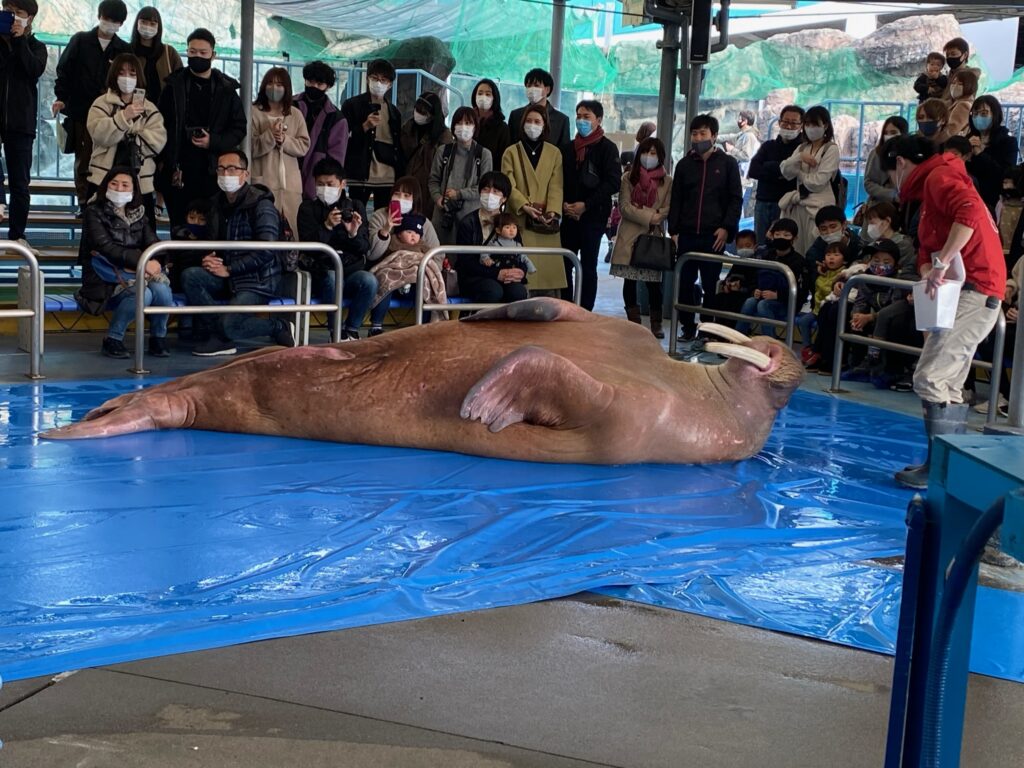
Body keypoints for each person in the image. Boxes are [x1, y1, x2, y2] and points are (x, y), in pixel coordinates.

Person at [881, 134, 1006, 488]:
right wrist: (928, 268)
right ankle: (947, 467)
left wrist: (943, 263)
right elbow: (929, 246)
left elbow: (967, 213)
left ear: (901, 163)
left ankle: (941, 469)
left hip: (976, 289)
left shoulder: (939, 177)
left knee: (931, 377)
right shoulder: (936, 183)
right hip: (963, 292)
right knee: (947, 381)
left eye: (890, 172)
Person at [182, 149, 294, 357]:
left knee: (229, 324)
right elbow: (211, 240)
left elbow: (267, 250)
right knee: (191, 276)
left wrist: (230, 269)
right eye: (221, 169)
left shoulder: (262, 206)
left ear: (245, 174)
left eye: (232, 169)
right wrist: (208, 258)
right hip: (228, 274)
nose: (226, 174)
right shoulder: (216, 204)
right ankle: (221, 335)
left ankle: (277, 326)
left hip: (258, 280)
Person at [157, 28, 247, 229]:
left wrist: (213, 141)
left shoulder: (226, 89)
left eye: (203, 53)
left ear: (213, 55)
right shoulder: (173, 85)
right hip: (178, 170)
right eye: (192, 52)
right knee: (180, 226)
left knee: (212, 226)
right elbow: (159, 124)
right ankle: (179, 261)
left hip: (212, 171)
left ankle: (209, 261)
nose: (197, 57)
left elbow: (239, 128)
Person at [78, 166, 171, 359]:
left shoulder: (140, 215)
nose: (119, 189)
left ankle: (158, 338)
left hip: (137, 272)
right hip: (104, 279)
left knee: (162, 290)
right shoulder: (93, 212)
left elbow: (153, 243)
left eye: (125, 185)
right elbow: (104, 246)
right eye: (114, 183)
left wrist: (154, 262)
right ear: (105, 186)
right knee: (141, 294)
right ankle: (113, 338)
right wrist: (142, 262)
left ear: (133, 190)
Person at [667, 114, 743, 340]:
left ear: (714, 136)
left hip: (714, 235)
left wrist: (727, 227)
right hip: (688, 234)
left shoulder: (728, 164)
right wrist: (674, 231)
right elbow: (677, 199)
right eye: (694, 133)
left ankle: (708, 329)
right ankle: (687, 327)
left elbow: (735, 198)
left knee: (711, 284)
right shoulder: (684, 165)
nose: (698, 138)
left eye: (702, 133)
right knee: (685, 284)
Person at [53, 0, 130, 211]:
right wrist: (63, 98)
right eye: (107, 19)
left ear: (121, 24)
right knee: (83, 158)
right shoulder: (80, 40)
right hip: (80, 110)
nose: (110, 24)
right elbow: (64, 71)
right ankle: (83, 201)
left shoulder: (122, 48)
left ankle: (105, 200)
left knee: (108, 157)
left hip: (110, 114)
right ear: (99, 16)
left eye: (115, 21)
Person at [295, 157, 376, 340]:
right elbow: (308, 247)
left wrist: (353, 233)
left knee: (369, 281)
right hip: (322, 273)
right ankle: (336, 331)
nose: (325, 189)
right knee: (331, 276)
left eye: (330, 184)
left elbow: (364, 247)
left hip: (350, 271)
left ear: (342, 184)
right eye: (320, 184)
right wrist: (327, 226)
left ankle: (352, 329)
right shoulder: (307, 208)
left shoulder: (355, 207)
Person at [86, 52, 166, 225]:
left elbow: (158, 141)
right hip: (103, 178)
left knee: (143, 232)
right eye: (121, 73)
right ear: (114, 75)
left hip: (140, 181)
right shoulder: (101, 103)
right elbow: (99, 135)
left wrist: (128, 134)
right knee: (97, 231)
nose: (127, 78)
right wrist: (123, 117)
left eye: (132, 73)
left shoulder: (149, 108)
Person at [560, 99, 621, 310]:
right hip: (568, 216)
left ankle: (585, 310)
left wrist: (585, 205)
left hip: (593, 216)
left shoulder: (608, 148)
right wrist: (564, 205)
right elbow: (559, 180)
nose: (581, 121)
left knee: (588, 266)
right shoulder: (568, 148)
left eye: (586, 117)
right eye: (578, 116)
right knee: (565, 263)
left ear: (599, 120)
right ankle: (566, 306)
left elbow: (613, 182)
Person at [610, 137, 672, 338]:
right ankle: (634, 323)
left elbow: (668, 208)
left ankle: (656, 324)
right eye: (645, 152)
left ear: (660, 156)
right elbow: (625, 207)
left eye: (653, 153)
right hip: (629, 236)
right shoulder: (628, 177)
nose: (649, 157)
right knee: (630, 282)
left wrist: (651, 214)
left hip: (652, 238)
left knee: (654, 285)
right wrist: (651, 215)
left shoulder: (667, 181)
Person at [501, 103, 566, 294]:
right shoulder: (511, 152)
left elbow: (556, 185)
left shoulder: (554, 153)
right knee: (522, 274)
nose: (532, 125)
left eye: (537, 121)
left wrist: (552, 210)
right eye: (528, 121)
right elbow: (508, 184)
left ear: (545, 125)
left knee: (547, 274)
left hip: (545, 220)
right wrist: (524, 205)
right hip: (519, 218)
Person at [364, 175, 440, 334]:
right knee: (385, 278)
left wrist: (423, 269)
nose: (400, 198)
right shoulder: (379, 215)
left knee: (426, 282)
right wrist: (386, 228)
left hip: (414, 273)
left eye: (406, 196)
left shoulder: (424, 222)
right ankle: (376, 326)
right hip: (388, 269)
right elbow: (372, 254)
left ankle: (424, 329)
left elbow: (436, 255)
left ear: (415, 199)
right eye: (397, 194)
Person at [0, 0, 46, 247]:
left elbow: (34, 70)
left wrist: (18, 41)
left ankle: (17, 235)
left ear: (29, 18)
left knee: (20, 182)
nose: (13, 16)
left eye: (18, 12)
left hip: (21, 121)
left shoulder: (36, 47)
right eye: (8, 10)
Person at [250, 67, 310, 232]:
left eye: (279, 84)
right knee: (264, 228)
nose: (274, 88)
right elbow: (250, 148)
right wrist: (270, 136)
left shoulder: (295, 114)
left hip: (290, 185)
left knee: (292, 228)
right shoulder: (253, 112)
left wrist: (284, 140)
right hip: (263, 181)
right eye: (270, 83)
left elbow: (304, 145)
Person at [455, 171, 529, 305]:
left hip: (505, 274)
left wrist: (521, 272)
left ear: (504, 198)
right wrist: (495, 273)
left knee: (518, 292)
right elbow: (465, 262)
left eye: (496, 191)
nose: (490, 195)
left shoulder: (511, 223)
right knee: (493, 291)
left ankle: (510, 326)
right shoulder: (468, 222)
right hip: (476, 276)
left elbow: (520, 254)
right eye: (486, 189)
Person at [341, 58, 403, 210]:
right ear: (368, 79)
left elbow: (397, 144)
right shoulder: (351, 105)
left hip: (387, 176)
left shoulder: (394, 112)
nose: (378, 83)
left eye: (383, 80)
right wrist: (364, 126)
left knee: (381, 217)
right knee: (356, 215)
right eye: (374, 78)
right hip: (359, 173)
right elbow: (343, 138)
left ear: (390, 85)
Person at [779, 104, 840, 256]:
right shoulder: (802, 148)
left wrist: (799, 173)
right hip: (800, 205)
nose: (810, 128)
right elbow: (785, 170)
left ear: (825, 125)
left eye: (815, 124)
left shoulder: (831, 149)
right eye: (807, 124)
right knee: (797, 249)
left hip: (819, 207)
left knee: (814, 250)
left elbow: (818, 182)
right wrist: (799, 157)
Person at [428, 106, 492, 244]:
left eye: (468, 123)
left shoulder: (484, 154)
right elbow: (433, 180)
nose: (463, 127)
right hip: (443, 215)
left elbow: (484, 189)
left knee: (466, 259)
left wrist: (459, 194)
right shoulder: (443, 151)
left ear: (475, 127)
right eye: (459, 123)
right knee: (438, 256)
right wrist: (438, 198)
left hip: (470, 217)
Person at [840, 239, 901, 382]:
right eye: (876, 260)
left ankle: (884, 368)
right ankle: (857, 365)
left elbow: (895, 308)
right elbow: (860, 301)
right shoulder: (865, 278)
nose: (880, 265)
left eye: (886, 262)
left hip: (889, 319)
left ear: (895, 264)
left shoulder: (898, 281)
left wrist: (870, 317)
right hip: (871, 317)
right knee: (855, 323)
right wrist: (856, 315)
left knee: (893, 326)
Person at [736, 218, 803, 337]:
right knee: (750, 301)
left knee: (764, 305)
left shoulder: (798, 261)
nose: (781, 238)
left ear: (794, 238)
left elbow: (801, 291)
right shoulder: (766, 255)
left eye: (786, 235)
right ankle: (739, 339)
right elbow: (755, 278)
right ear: (772, 236)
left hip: (787, 303)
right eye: (777, 234)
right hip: (764, 297)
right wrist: (755, 290)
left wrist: (778, 295)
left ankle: (770, 343)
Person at [748, 104, 803, 244]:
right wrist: (781, 169)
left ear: (801, 125)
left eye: (794, 123)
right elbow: (753, 170)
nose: (789, 126)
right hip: (763, 202)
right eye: (785, 122)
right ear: (779, 122)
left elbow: (795, 175)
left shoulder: (802, 149)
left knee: (783, 244)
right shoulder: (768, 146)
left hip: (787, 206)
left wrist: (768, 166)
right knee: (761, 244)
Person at [294, 60, 348, 202]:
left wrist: (321, 186)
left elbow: (336, 160)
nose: (314, 87)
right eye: (310, 82)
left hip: (315, 184)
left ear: (328, 86)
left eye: (320, 84)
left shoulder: (336, 119)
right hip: (288, 175)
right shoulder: (290, 105)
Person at [400, 92, 451, 221]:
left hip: (428, 188)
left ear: (433, 115)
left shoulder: (443, 135)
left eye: (423, 112)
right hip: (406, 182)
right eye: (417, 109)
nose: (418, 114)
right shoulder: (408, 128)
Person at [965, 95, 1019, 217]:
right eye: (975, 114)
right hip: (967, 195)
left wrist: (980, 154)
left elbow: (1004, 175)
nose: (978, 117)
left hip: (992, 200)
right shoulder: (968, 140)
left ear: (995, 115)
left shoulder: (1008, 142)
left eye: (984, 114)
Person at [798, 240, 846, 360]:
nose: (831, 258)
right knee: (803, 321)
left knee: (823, 327)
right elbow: (815, 288)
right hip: (817, 309)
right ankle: (807, 348)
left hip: (829, 312)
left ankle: (818, 351)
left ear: (844, 259)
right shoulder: (822, 272)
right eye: (829, 255)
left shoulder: (843, 274)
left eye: (836, 255)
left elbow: (829, 290)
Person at [704, 229, 757, 332]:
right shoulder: (737, 262)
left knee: (733, 304)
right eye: (740, 247)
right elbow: (728, 277)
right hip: (731, 293)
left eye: (748, 245)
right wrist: (726, 285)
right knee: (718, 299)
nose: (744, 249)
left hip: (745, 295)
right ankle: (715, 332)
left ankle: (730, 333)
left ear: (754, 246)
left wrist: (741, 286)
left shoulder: (756, 264)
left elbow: (755, 283)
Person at [507, 68, 571, 150]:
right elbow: (510, 147)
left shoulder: (561, 120)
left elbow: (564, 152)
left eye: (536, 85)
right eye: (529, 86)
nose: (531, 89)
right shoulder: (516, 115)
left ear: (547, 89)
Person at [129, 6, 181, 106]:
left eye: (152, 24)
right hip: (133, 109)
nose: (147, 26)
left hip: (163, 109)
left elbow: (180, 81)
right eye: (143, 22)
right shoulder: (127, 50)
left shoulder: (169, 52)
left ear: (159, 27)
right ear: (137, 24)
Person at [863, 116, 908, 207]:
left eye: (893, 132)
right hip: (879, 207)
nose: (889, 136)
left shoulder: (910, 155)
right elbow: (868, 183)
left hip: (904, 207)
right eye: (886, 133)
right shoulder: (877, 153)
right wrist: (891, 195)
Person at [481, 213, 535, 277]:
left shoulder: (518, 245)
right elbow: (484, 252)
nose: (512, 230)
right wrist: (486, 259)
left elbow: (524, 257)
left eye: (514, 227)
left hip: (513, 275)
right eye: (507, 227)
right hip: (497, 274)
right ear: (498, 230)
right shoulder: (493, 243)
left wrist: (531, 267)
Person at [471, 78, 509, 165]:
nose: (483, 97)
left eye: (488, 94)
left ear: (494, 98)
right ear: (475, 96)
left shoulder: (502, 128)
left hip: (491, 175)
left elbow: (504, 159)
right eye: (480, 93)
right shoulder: (467, 121)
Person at [936, 67, 978, 144]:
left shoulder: (963, 105)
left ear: (969, 86)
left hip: (949, 146)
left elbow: (950, 131)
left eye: (960, 84)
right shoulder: (956, 102)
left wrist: (933, 141)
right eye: (953, 82)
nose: (955, 86)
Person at [940, 37, 982, 106]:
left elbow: (958, 101)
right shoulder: (949, 75)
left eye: (953, 54)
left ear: (965, 55)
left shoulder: (969, 77)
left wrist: (936, 106)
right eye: (947, 55)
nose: (949, 57)